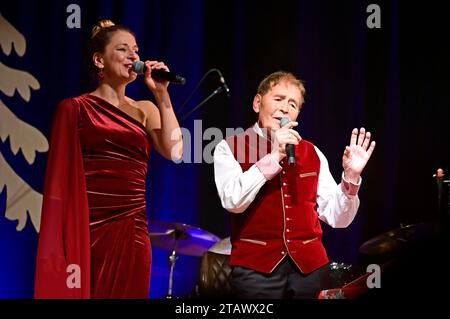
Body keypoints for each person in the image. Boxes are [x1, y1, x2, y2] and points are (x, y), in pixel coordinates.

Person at [34, 20, 182, 298]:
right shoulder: (74, 108)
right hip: (87, 227)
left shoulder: (145, 109)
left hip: (132, 230)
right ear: (99, 60)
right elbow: (57, 183)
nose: (133, 57)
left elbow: (175, 152)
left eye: (136, 51)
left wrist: (162, 94)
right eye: (123, 50)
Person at [213, 71, 375, 299]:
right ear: (257, 103)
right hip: (255, 271)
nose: (285, 108)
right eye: (278, 99)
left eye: (293, 104)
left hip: (311, 270)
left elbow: (339, 219)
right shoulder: (230, 147)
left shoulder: (312, 152)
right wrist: (273, 157)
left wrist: (350, 178)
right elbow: (232, 200)